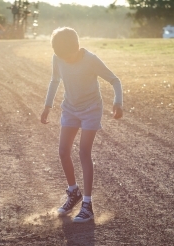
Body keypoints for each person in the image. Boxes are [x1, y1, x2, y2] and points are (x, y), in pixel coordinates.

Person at [41, 27, 123, 223]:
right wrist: (47, 106)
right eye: (61, 57)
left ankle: (87, 205)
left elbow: (115, 80)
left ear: (77, 47)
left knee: (84, 152)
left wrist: (118, 101)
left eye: (68, 56)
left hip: (91, 109)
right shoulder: (58, 57)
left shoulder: (90, 59)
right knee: (63, 151)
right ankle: (73, 192)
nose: (65, 60)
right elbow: (54, 80)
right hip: (70, 108)